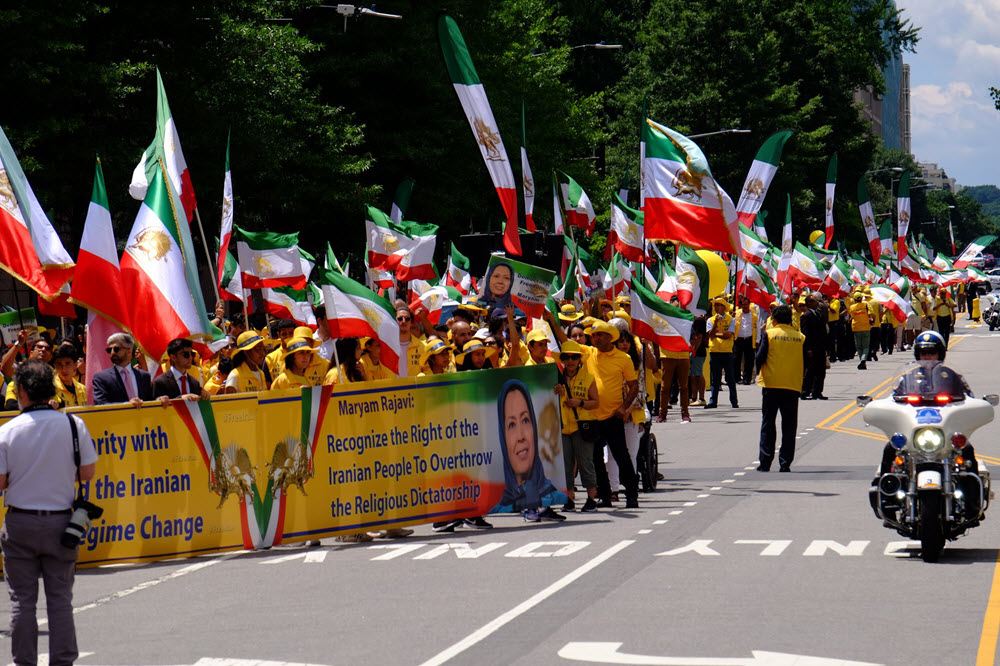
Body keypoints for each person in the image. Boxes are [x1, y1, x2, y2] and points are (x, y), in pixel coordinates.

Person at [0, 360, 98, 666]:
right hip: (61, 522)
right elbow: (88, 471)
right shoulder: (72, 424)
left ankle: (24, 662)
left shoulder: (8, 430)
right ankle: (63, 662)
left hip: (20, 522)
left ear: (23, 392)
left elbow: (1, 482)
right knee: (60, 601)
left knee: (22, 602)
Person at [493, 379, 564, 522]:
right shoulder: (497, 506)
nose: (521, 437)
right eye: (511, 425)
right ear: (502, 435)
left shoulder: (557, 496)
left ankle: (544, 509)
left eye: (525, 420)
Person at [755, 304, 805, 472]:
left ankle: (765, 462)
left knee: (768, 423)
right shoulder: (800, 337)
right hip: (792, 385)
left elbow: (760, 357)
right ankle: (785, 463)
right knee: (789, 426)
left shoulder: (769, 334)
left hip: (771, 384)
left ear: (774, 320)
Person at [553, 340, 599, 513]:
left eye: (574, 357)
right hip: (563, 427)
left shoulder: (588, 378)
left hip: (582, 427)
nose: (570, 360)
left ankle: (591, 498)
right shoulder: (556, 378)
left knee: (586, 462)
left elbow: (595, 403)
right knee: (565, 464)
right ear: (562, 359)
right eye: (566, 357)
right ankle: (569, 497)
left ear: (580, 359)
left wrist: (579, 402)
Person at [92, 333, 154, 406]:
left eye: (116, 349)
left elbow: (150, 402)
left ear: (129, 351)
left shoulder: (144, 376)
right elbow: (101, 404)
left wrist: (160, 400)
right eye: (109, 350)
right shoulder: (101, 378)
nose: (112, 353)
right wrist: (127, 405)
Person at [706, 297, 738, 409]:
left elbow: (728, 335)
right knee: (715, 379)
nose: (717, 307)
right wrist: (715, 324)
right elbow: (710, 334)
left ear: (724, 307)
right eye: (716, 305)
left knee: (730, 378)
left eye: (719, 305)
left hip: (727, 351)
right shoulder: (710, 320)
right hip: (714, 351)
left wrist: (717, 334)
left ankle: (734, 401)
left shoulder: (731, 319)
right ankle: (713, 402)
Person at [799, 293, 828, 400]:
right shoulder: (806, 316)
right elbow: (805, 334)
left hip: (820, 347)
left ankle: (817, 392)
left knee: (821, 371)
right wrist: (808, 348)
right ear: (810, 303)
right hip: (811, 348)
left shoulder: (819, 313)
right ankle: (805, 391)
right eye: (816, 301)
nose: (818, 303)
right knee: (810, 371)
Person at [52, 344, 88, 408]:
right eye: (59, 364)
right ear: (55, 366)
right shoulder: (51, 389)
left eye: (67, 363)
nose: (64, 369)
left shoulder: (83, 389)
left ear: (75, 365)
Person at [732, 295, 757, 385]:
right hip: (738, 339)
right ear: (741, 305)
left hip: (749, 339)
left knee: (749, 360)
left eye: (747, 304)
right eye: (743, 304)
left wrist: (757, 340)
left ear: (749, 304)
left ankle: (747, 379)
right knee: (736, 359)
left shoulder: (754, 315)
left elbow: (756, 327)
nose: (745, 306)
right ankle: (737, 377)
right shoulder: (737, 313)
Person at [848, 290, 872, 370]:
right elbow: (872, 314)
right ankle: (863, 360)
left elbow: (852, 316)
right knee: (866, 346)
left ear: (854, 299)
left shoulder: (852, 307)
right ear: (862, 298)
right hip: (866, 327)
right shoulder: (866, 304)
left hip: (856, 327)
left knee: (859, 347)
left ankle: (862, 361)